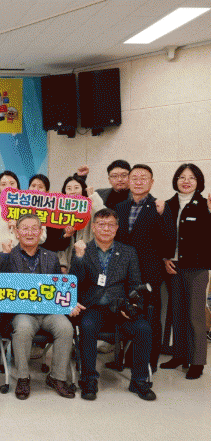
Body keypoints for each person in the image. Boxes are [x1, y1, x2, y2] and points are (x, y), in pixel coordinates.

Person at [69, 208, 156, 401]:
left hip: (120, 307)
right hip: (93, 307)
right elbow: (75, 282)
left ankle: (139, 380)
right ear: (93, 227)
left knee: (143, 329)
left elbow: (135, 284)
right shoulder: (83, 250)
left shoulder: (128, 252)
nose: (106, 229)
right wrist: (79, 257)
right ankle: (89, 380)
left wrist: (133, 307)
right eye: (101, 224)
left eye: (110, 225)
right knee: (87, 327)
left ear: (117, 228)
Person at [0, 213, 75, 400]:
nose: (29, 233)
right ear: (17, 232)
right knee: (23, 328)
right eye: (25, 228)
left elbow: (60, 288)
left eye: (34, 229)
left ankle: (57, 378)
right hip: (22, 312)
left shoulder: (52, 257)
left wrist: (70, 302)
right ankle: (23, 378)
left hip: (48, 312)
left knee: (66, 327)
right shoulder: (7, 255)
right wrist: (5, 256)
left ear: (40, 232)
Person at [114, 164, 175, 370]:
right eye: (135, 178)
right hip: (123, 272)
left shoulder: (159, 207)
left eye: (144, 178)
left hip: (150, 272)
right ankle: (124, 359)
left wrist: (162, 215)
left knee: (151, 317)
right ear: (128, 181)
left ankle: (149, 363)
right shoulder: (120, 207)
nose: (138, 182)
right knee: (125, 313)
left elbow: (169, 241)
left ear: (151, 182)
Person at [161, 164, 211, 379]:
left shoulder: (205, 205)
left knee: (195, 315)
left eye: (191, 177)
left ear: (198, 182)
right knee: (177, 314)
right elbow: (162, 235)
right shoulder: (168, 204)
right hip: (173, 267)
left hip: (197, 268)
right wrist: (165, 258)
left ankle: (197, 361)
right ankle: (180, 355)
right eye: (182, 177)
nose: (186, 181)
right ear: (176, 180)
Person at [0, 170, 46, 267]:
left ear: (18, 187)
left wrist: (21, 227)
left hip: (24, 262)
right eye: (3, 184)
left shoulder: (31, 209)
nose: (8, 187)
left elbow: (42, 237)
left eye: (12, 183)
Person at [57, 175, 104, 272]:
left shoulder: (91, 208)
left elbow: (104, 217)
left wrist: (92, 196)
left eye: (76, 188)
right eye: (69, 188)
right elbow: (58, 243)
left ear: (83, 190)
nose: (72, 191)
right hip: (68, 265)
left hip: (90, 262)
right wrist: (62, 264)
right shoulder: (60, 213)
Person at [27, 174, 71, 257]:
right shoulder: (21, 210)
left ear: (47, 192)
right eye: (33, 186)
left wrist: (67, 235)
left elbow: (61, 245)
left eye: (40, 187)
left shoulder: (54, 213)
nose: (36, 189)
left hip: (47, 257)